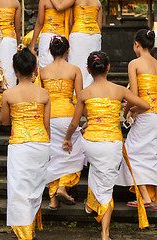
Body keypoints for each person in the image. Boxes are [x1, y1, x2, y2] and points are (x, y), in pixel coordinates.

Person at [63, 51, 150, 240]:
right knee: (106, 188)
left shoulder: (85, 93)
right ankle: (105, 233)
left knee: (97, 169)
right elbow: (145, 105)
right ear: (108, 67)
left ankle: (90, 205)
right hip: (112, 144)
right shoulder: (120, 90)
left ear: (88, 70)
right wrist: (129, 110)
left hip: (91, 144)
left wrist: (68, 138)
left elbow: (73, 123)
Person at [0, 48, 50, 240]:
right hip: (41, 143)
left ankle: (24, 232)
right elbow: (46, 125)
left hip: (20, 144)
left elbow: (4, 121)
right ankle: (27, 227)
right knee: (35, 188)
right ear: (35, 68)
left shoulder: (8, 95)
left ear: (15, 70)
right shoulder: (44, 94)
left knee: (19, 188)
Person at [35, 35, 85, 209]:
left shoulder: (43, 71)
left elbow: (40, 98)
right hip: (68, 116)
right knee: (73, 153)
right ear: (67, 50)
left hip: (48, 117)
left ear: (50, 50)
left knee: (53, 156)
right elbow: (80, 98)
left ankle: (53, 198)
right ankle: (63, 186)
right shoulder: (75, 69)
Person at [117, 29, 157, 209]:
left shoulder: (134, 63)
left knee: (131, 152)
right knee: (150, 154)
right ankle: (148, 195)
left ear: (137, 45)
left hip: (144, 114)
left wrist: (127, 112)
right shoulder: (156, 63)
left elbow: (134, 95)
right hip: (155, 114)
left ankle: (146, 197)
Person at [29, 0, 74, 69]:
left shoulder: (44, 1)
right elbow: (70, 24)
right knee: (61, 67)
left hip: (46, 37)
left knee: (45, 67)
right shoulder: (67, 2)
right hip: (62, 37)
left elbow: (39, 23)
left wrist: (32, 45)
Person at [68, 0, 102, 89]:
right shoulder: (98, 3)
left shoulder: (75, 1)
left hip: (78, 34)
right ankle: (91, 91)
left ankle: (76, 91)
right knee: (93, 63)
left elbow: (70, 22)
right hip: (94, 35)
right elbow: (99, 25)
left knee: (76, 63)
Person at [0, 0, 21, 89]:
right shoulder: (15, 3)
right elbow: (18, 28)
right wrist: (17, 45)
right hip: (10, 40)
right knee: (8, 72)